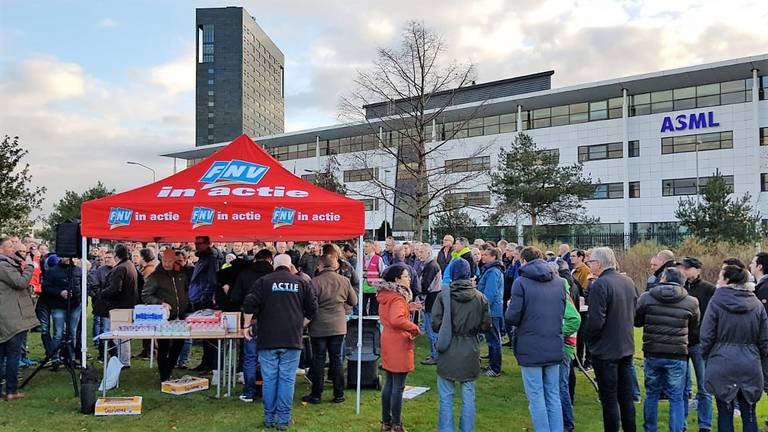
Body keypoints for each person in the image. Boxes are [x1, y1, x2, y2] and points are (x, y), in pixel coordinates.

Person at [245, 254, 317, 430]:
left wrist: (246, 326)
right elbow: (313, 309)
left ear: (273, 265)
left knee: (270, 380)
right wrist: (300, 325)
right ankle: (284, 420)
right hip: (292, 338)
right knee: (287, 379)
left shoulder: (263, 282)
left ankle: (269, 419)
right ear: (290, 265)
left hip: (267, 338)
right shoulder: (301, 283)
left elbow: (249, 303)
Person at [700, 264, 768, 432]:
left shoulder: (716, 301)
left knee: (724, 412)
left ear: (727, 280)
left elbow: (706, 335)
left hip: (722, 362)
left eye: (720, 277)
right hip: (750, 363)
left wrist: (709, 355)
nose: (717, 280)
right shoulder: (757, 304)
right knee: (749, 413)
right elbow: (764, 339)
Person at [505, 246, 565, 432]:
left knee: (537, 396)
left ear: (523, 260)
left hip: (530, 345)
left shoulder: (521, 282)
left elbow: (512, 317)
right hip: (554, 342)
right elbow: (561, 311)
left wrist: (510, 306)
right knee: (553, 395)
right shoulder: (559, 282)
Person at [635, 267, 700, 432]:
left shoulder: (646, 298)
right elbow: (693, 329)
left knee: (652, 395)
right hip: (677, 354)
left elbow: (637, 322)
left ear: (662, 278)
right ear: (682, 282)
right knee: (677, 397)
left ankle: (650, 429)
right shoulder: (691, 302)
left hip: (653, 351)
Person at [432, 258, 490, 432]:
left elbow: (435, 324)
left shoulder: (444, 295)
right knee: (468, 397)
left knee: (446, 397)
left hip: (449, 346)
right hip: (470, 348)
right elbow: (486, 325)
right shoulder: (480, 297)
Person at [585, 247, 637, 432]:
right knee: (626, 398)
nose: (589, 265)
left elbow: (596, 320)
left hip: (606, 350)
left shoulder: (600, 284)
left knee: (609, 400)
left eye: (590, 262)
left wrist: (589, 340)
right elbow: (634, 312)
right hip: (626, 345)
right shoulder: (628, 281)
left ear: (598, 264)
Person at [302, 255, 357, 404]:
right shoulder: (344, 281)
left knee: (318, 360)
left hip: (318, 326)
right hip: (338, 326)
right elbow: (354, 301)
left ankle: (316, 394)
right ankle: (339, 394)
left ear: (320, 267)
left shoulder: (314, 282)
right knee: (337, 360)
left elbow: (309, 305)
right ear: (335, 266)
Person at [376, 265, 422, 432]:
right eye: (405, 276)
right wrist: (414, 328)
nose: (408, 279)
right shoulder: (397, 298)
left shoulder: (387, 295)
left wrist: (409, 308)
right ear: (396, 280)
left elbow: (392, 315)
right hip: (398, 340)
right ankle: (396, 424)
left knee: (390, 382)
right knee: (398, 385)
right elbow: (396, 319)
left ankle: (386, 422)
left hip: (388, 339)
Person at [679, 256, 716, 430]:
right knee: (682, 387)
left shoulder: (709, 289)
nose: (684, 271)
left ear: (697, 270)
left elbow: (712, 316)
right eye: (682, 268)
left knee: (704, 386)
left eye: (687, 268)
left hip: (700, 343)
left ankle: (705, 425)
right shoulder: (680, 288)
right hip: (681, 342)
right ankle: (682, 423)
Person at [142, 248, 190, 382]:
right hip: (165, 317)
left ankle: (168, 368)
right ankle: (164, 374)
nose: (167, 263)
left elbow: (185, 290)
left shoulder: (181, 274)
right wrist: (160, 303)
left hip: (180, 315)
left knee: (179, 343)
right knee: (163, 346)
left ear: (174, 260)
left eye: (170, 261)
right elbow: (145, 295)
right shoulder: (155, 276)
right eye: (164, 261)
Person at [0, 236, 37, 400]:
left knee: (4, 355)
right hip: (11, 317)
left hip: (9, 315)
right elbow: (20, 282)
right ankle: (11, 391)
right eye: (10, 246)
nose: (14, 249)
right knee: (12, 355)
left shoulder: (7, 264)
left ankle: (7, 390)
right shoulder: (3, 265)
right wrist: (29, 266)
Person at [547, 261, 582, 432]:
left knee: (561, 387)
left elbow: (574, 319)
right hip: (560, 344)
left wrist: (556, 332)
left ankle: (567, 424)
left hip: (564, 346)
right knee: (557, 386)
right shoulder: (560, 290)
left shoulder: (561, 291)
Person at [237, 248, 275, 402]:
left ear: (255, 259)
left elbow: (235, 296)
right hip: (270, 321)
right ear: (270, 260)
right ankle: (267, 391)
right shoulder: (274, 276)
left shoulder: (245, 274)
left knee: (250, 358)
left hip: (250, 320)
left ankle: (249, 392)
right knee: (269, 358)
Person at [41, 257, 82, 370]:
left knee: (72, 333)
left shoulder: (78, 270)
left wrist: (80, 299)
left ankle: (71, 358)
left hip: (75, 305)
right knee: (58, 333)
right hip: (58, 306)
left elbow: (84, 285)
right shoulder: (52, 271)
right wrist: (60, 292)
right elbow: (45, 287)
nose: (68, 259)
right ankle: (55, 358)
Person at [189, 236, 219, 374]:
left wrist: (203, 298)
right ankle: (205, 362)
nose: (197, 245)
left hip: (204, 300)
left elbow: (212, 281)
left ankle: (209, 364)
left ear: (207, 244)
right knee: (205, 335)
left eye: (200, 243)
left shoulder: (210, 259)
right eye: (196, 243)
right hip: (198, 297)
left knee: (208, 335)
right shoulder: (203, 258)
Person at [477, 247, 504, 377]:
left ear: (494, 257)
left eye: (486, 255)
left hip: (492, 311)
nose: (483, 256)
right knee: (491, 339)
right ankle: (492, 365)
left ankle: (495, 368)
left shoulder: (493, 272)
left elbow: (490, 293)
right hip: (491, 310)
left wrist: (483, 308)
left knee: (494, 340)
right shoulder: (490, 270)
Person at [417, 243, 441, 366]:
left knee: (432, 330)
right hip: (431, 301)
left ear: (428, 253)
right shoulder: (429, 265)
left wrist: (418, 292)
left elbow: (426, 286)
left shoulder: (431, 266)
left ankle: (436, 356)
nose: (418, 254)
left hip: (431, 302)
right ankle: (434, 354)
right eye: (418, 251)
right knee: (431, 329)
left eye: (421, 252)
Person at [88, 250, 114, 358]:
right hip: (103, 304)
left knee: (116, 330)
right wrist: (102, 294)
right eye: (106, 257)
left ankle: (114, 353)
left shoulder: (119, 269)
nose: (107, 259)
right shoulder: (99, 271)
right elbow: (95, 286)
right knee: (104, 329)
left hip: (116, 305)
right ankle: (102, 353)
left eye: (109, 257)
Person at [362, 240, 386, 316]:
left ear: (372, 247)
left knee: (374, 310)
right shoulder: (361, 259)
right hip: (363, 288)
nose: (364, 248)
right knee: (362, 309)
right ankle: (364, 325)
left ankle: (373, 326)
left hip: (374, 288)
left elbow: (382, 273)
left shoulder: (378, 259)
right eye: (364, 246)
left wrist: (380, 288)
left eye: (366, 246)